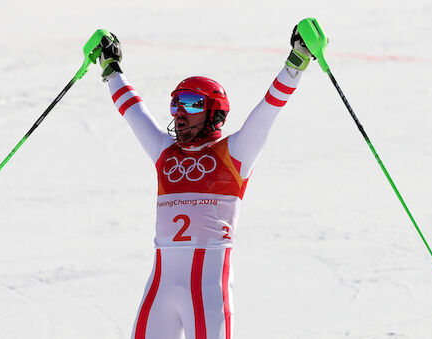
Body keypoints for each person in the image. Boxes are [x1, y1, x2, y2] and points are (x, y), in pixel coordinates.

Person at [97, 25, 312, 339]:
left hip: (208, 289)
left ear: (215, 113)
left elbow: (269, 108)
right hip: (161, 285)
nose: (181, 112)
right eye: (177, 103)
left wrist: (297, 60)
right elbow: (133, 111)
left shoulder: (234, 154)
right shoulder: (164, 153)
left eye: (193, 103)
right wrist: (110, 68)